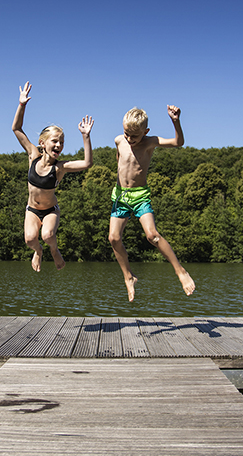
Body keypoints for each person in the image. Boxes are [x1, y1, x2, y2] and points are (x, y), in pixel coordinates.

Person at [109, 105, 195, 301]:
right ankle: (128, 277)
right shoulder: (118, 140)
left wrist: (175, 121)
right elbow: (120, 163)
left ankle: (180, 271)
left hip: (140, 196)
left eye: (135, 136)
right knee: (113, 238)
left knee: (152, 235)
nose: (130, 139)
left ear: (145, 132)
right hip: (121, 197)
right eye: (127, 134)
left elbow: (178, 142)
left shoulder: (150, 142)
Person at [12, 81, 94, 271]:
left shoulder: (60, 168)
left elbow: (87, 163)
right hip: (32, 210)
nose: (59, 145)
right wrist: (22, 104)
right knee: (30, 239)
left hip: (50, 211)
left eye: (62, 142)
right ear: (42, 143)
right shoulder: (33, 155)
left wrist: (86, 136)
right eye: (55, 141)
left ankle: (54, 250)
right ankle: (39, 252)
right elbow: (16, 129)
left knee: (48, 235)